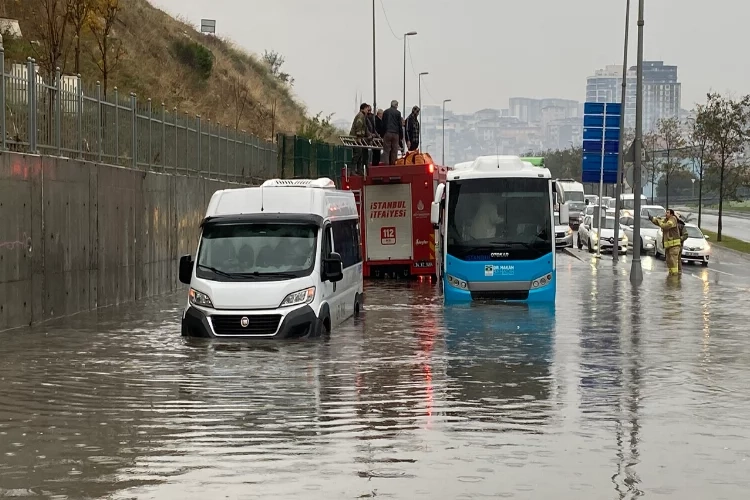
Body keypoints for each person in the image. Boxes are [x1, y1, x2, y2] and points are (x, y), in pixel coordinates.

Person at [649, 209, 682, 276]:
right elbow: (659, 222)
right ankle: (671, 275)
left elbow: (665, 226)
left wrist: (659, 221)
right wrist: (652, 218)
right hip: (668, 246)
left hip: (674, 246)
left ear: (671, 214)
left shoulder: (673, 219)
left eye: (667, 213)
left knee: (673, 262)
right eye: (666, 212)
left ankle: (675, 276)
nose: (666, 214)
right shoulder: (666, 219)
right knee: (668, 261)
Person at [349, 103, 370, 174]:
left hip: (358, 138)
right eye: (367, 109)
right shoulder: (360, 116)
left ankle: (359, 170)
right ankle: (352, 170)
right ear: (363, 109)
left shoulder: (363, 116)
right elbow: (359, 126)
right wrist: (359, 137)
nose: (368, 110)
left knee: (360, 154)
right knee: (357, 154)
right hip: (356, 138)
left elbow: (365, 128)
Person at [381, 100, 403, 165]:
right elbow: (399, 125)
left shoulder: (385, 112)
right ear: (396, 105)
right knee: (394, 151)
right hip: (395, 134)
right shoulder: (398, 113)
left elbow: (383, 124)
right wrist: (401, 135)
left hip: (387, 133)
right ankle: (393, 165)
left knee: (386, 151)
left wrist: (382, 134)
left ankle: (386, 165)